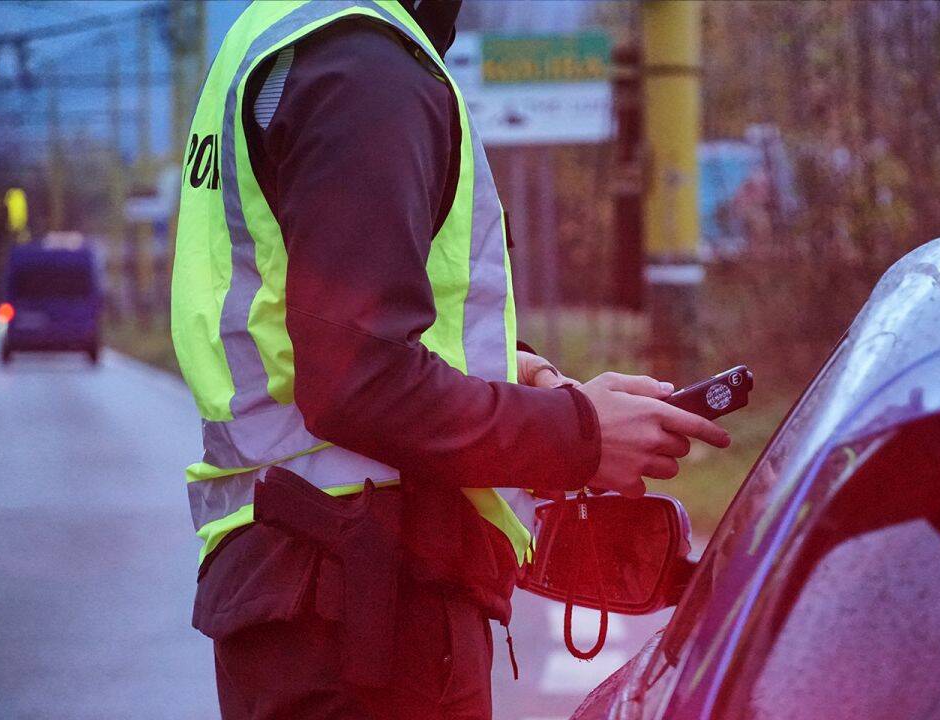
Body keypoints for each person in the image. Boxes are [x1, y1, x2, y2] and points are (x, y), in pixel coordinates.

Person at [170, 1, 730, 718]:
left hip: (312, 597)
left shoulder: (294, 33)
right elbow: (359, 381)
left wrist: (524, 378)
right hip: (366, 608)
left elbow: (331, 323)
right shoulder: (365, 66)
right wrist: (581, 436)